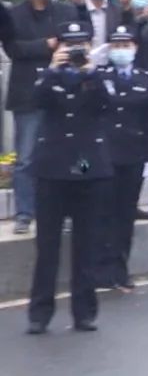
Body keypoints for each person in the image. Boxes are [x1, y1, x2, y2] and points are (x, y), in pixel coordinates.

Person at [27, 21, 113, 334]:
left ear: (90, 47)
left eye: (81, 45)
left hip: (85, 166)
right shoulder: (48, 76)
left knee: (86, 244)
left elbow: (107, 105)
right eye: (69, 44)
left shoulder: (98, 76)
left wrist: (90, 72)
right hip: (52, 168)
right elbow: (35, 101)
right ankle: (40, 313)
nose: (75, 50)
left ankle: (84, 312)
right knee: (47, 246)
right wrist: (53, 69)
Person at [4, 0, 82, 234]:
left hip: (63, 94)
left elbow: (77, 42)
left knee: (66, 154)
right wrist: (46, 45)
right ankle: (25, 213)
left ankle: (65, 211)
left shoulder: (66, 11)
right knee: (26, 157)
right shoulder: (13, 15)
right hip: (27, 94)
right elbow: (13, 49)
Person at [95, 26, 148, 291]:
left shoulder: (146, 79)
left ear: (135, 48)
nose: (121, 51)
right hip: (103, 156)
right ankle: (100, 270)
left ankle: (120, 270)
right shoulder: (98, 76)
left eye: (126, 46)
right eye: (116, 46)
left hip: (133, 155)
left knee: (125, 215)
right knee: (102, 213)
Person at [69, 0, 132, 65]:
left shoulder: (118, 11)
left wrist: (127, 7)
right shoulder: (72, 8)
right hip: (81, 66)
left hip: (108, 67)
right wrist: (81, 6)